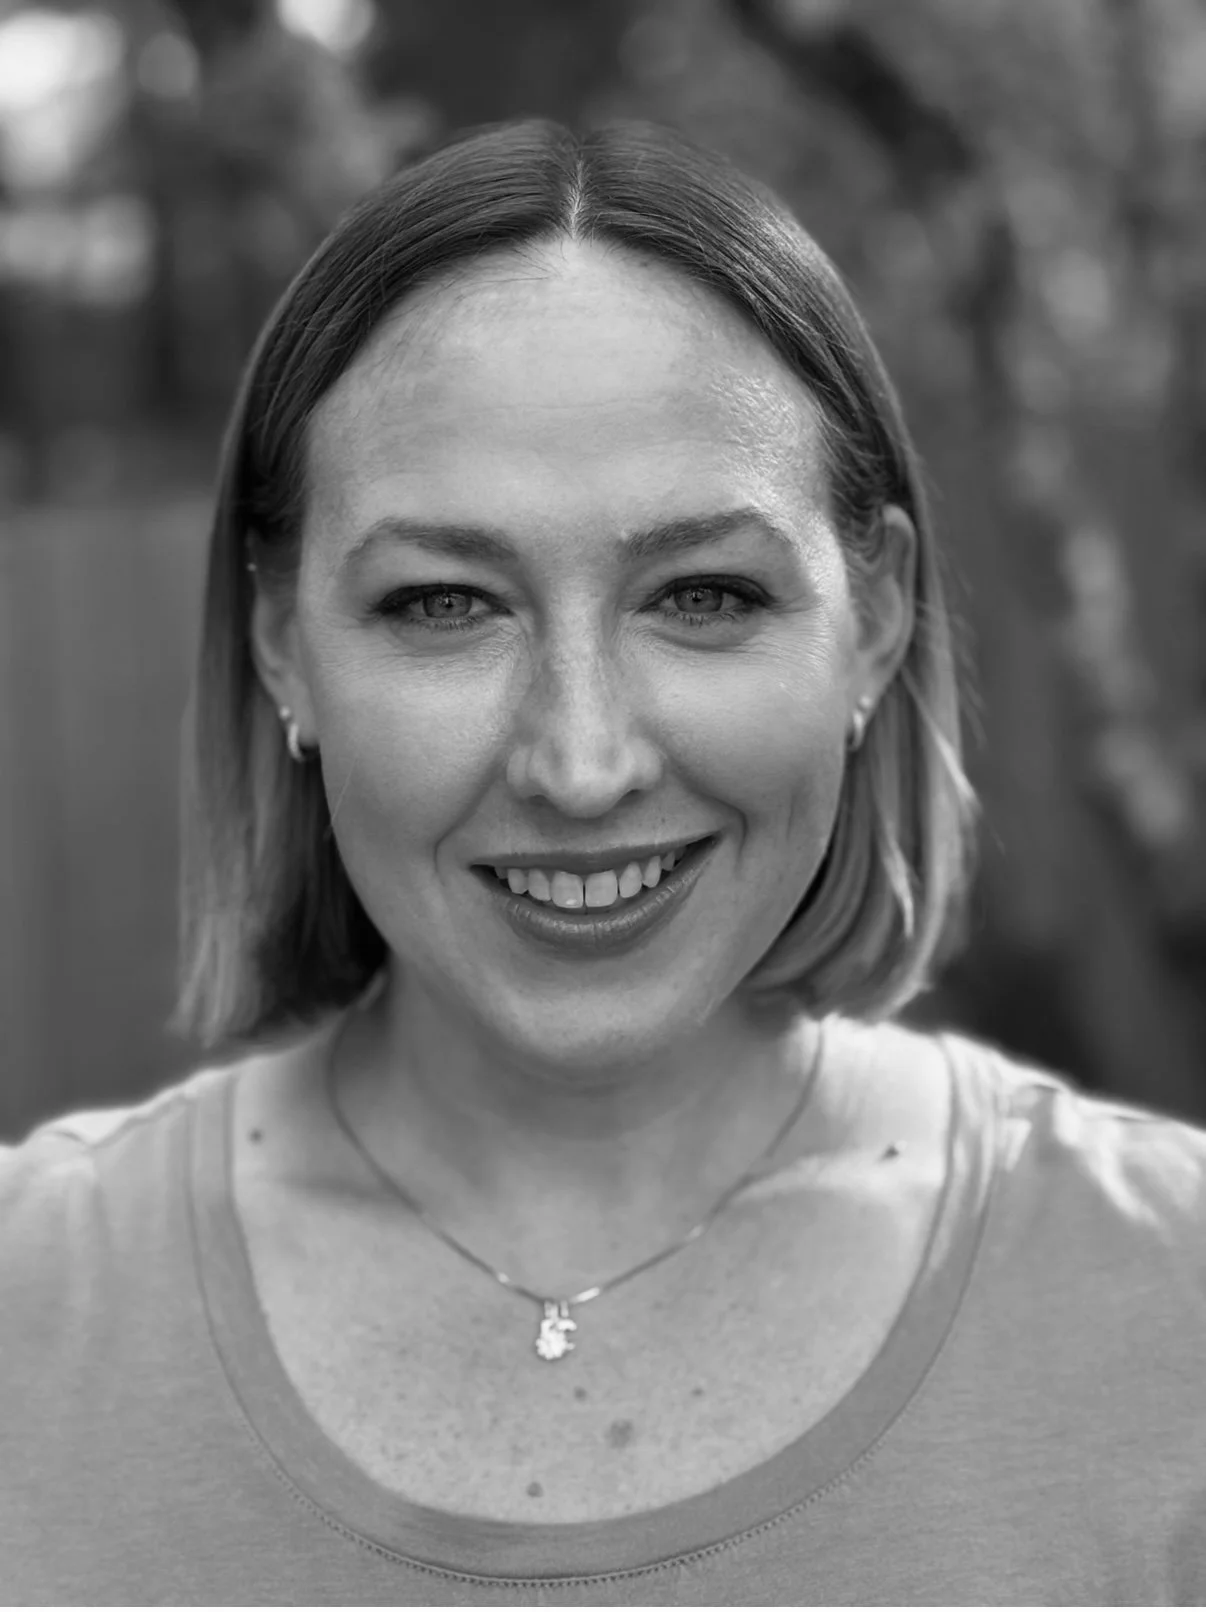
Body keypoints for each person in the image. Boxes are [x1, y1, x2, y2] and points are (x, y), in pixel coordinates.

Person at [3, 117, 1205, 1608]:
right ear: (280, 645)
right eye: (445, 604)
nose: (580, 765)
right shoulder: (30, 1321)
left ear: (875, 621)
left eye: (702, 594)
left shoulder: (1173, 1306)